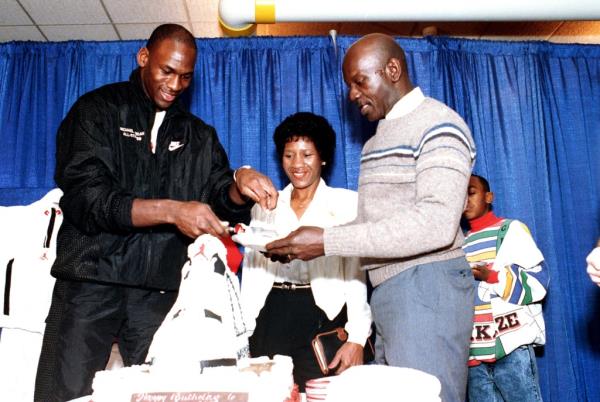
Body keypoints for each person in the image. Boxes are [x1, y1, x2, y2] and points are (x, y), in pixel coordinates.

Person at [34, 24, 278, 402]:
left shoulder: (199, 135)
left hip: (161, 291)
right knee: (66, 393)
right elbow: (89, 199)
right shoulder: (96, 110)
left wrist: (237, 183)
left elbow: (216, 199)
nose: (176, 84)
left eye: (186, 77)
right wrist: (171, 211)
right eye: (167, 71)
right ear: (144, 58)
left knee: (166, 392)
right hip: (91, 279)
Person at [266, 33, 476, 401]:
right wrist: (311, 242)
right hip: (391, 294)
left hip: (426, 287)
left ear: (392, 69)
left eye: (359, 81)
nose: (351, 95)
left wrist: (326, 241)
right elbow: (371, 230)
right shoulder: (376, 141)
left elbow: (436, 223)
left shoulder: (439, 123)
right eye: (349, 84)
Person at [240, 112, 372, 391]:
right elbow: (251, 271)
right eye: (289, 156)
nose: (297, 164)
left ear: (323, 157)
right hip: (269, 314)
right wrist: (244, 329)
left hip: (322, 315)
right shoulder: (264, 204)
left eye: (307, 155)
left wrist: (358, 337)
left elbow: (356, 274)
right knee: (271, 395)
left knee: (321, 395)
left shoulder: (347, 204)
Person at [463, 174, 548, 402]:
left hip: (512, 349)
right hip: (474, 358)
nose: (465, 200)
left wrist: (491, 276)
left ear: (489, 197)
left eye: (471, 193)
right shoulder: (458, 245)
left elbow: (539, 282)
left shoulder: (511, 231)